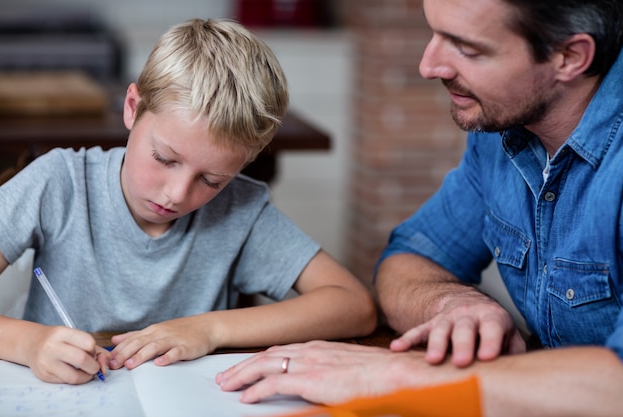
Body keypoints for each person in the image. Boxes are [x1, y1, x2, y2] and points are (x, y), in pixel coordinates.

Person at [215, 0, 623, 415]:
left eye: (467, 48)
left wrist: (396, 375)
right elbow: (412, 255)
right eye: (435, 33)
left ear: (569, 57)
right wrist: (454, 305)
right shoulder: (502, 131)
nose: (429, 66)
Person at [0, 18, 377, 385]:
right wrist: (27, 344)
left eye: (211, 180)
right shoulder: (59, 182)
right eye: (164, 159)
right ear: (132, 107)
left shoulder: (239, 209)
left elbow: (353, 305)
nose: (177, 194)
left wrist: (209, 328)